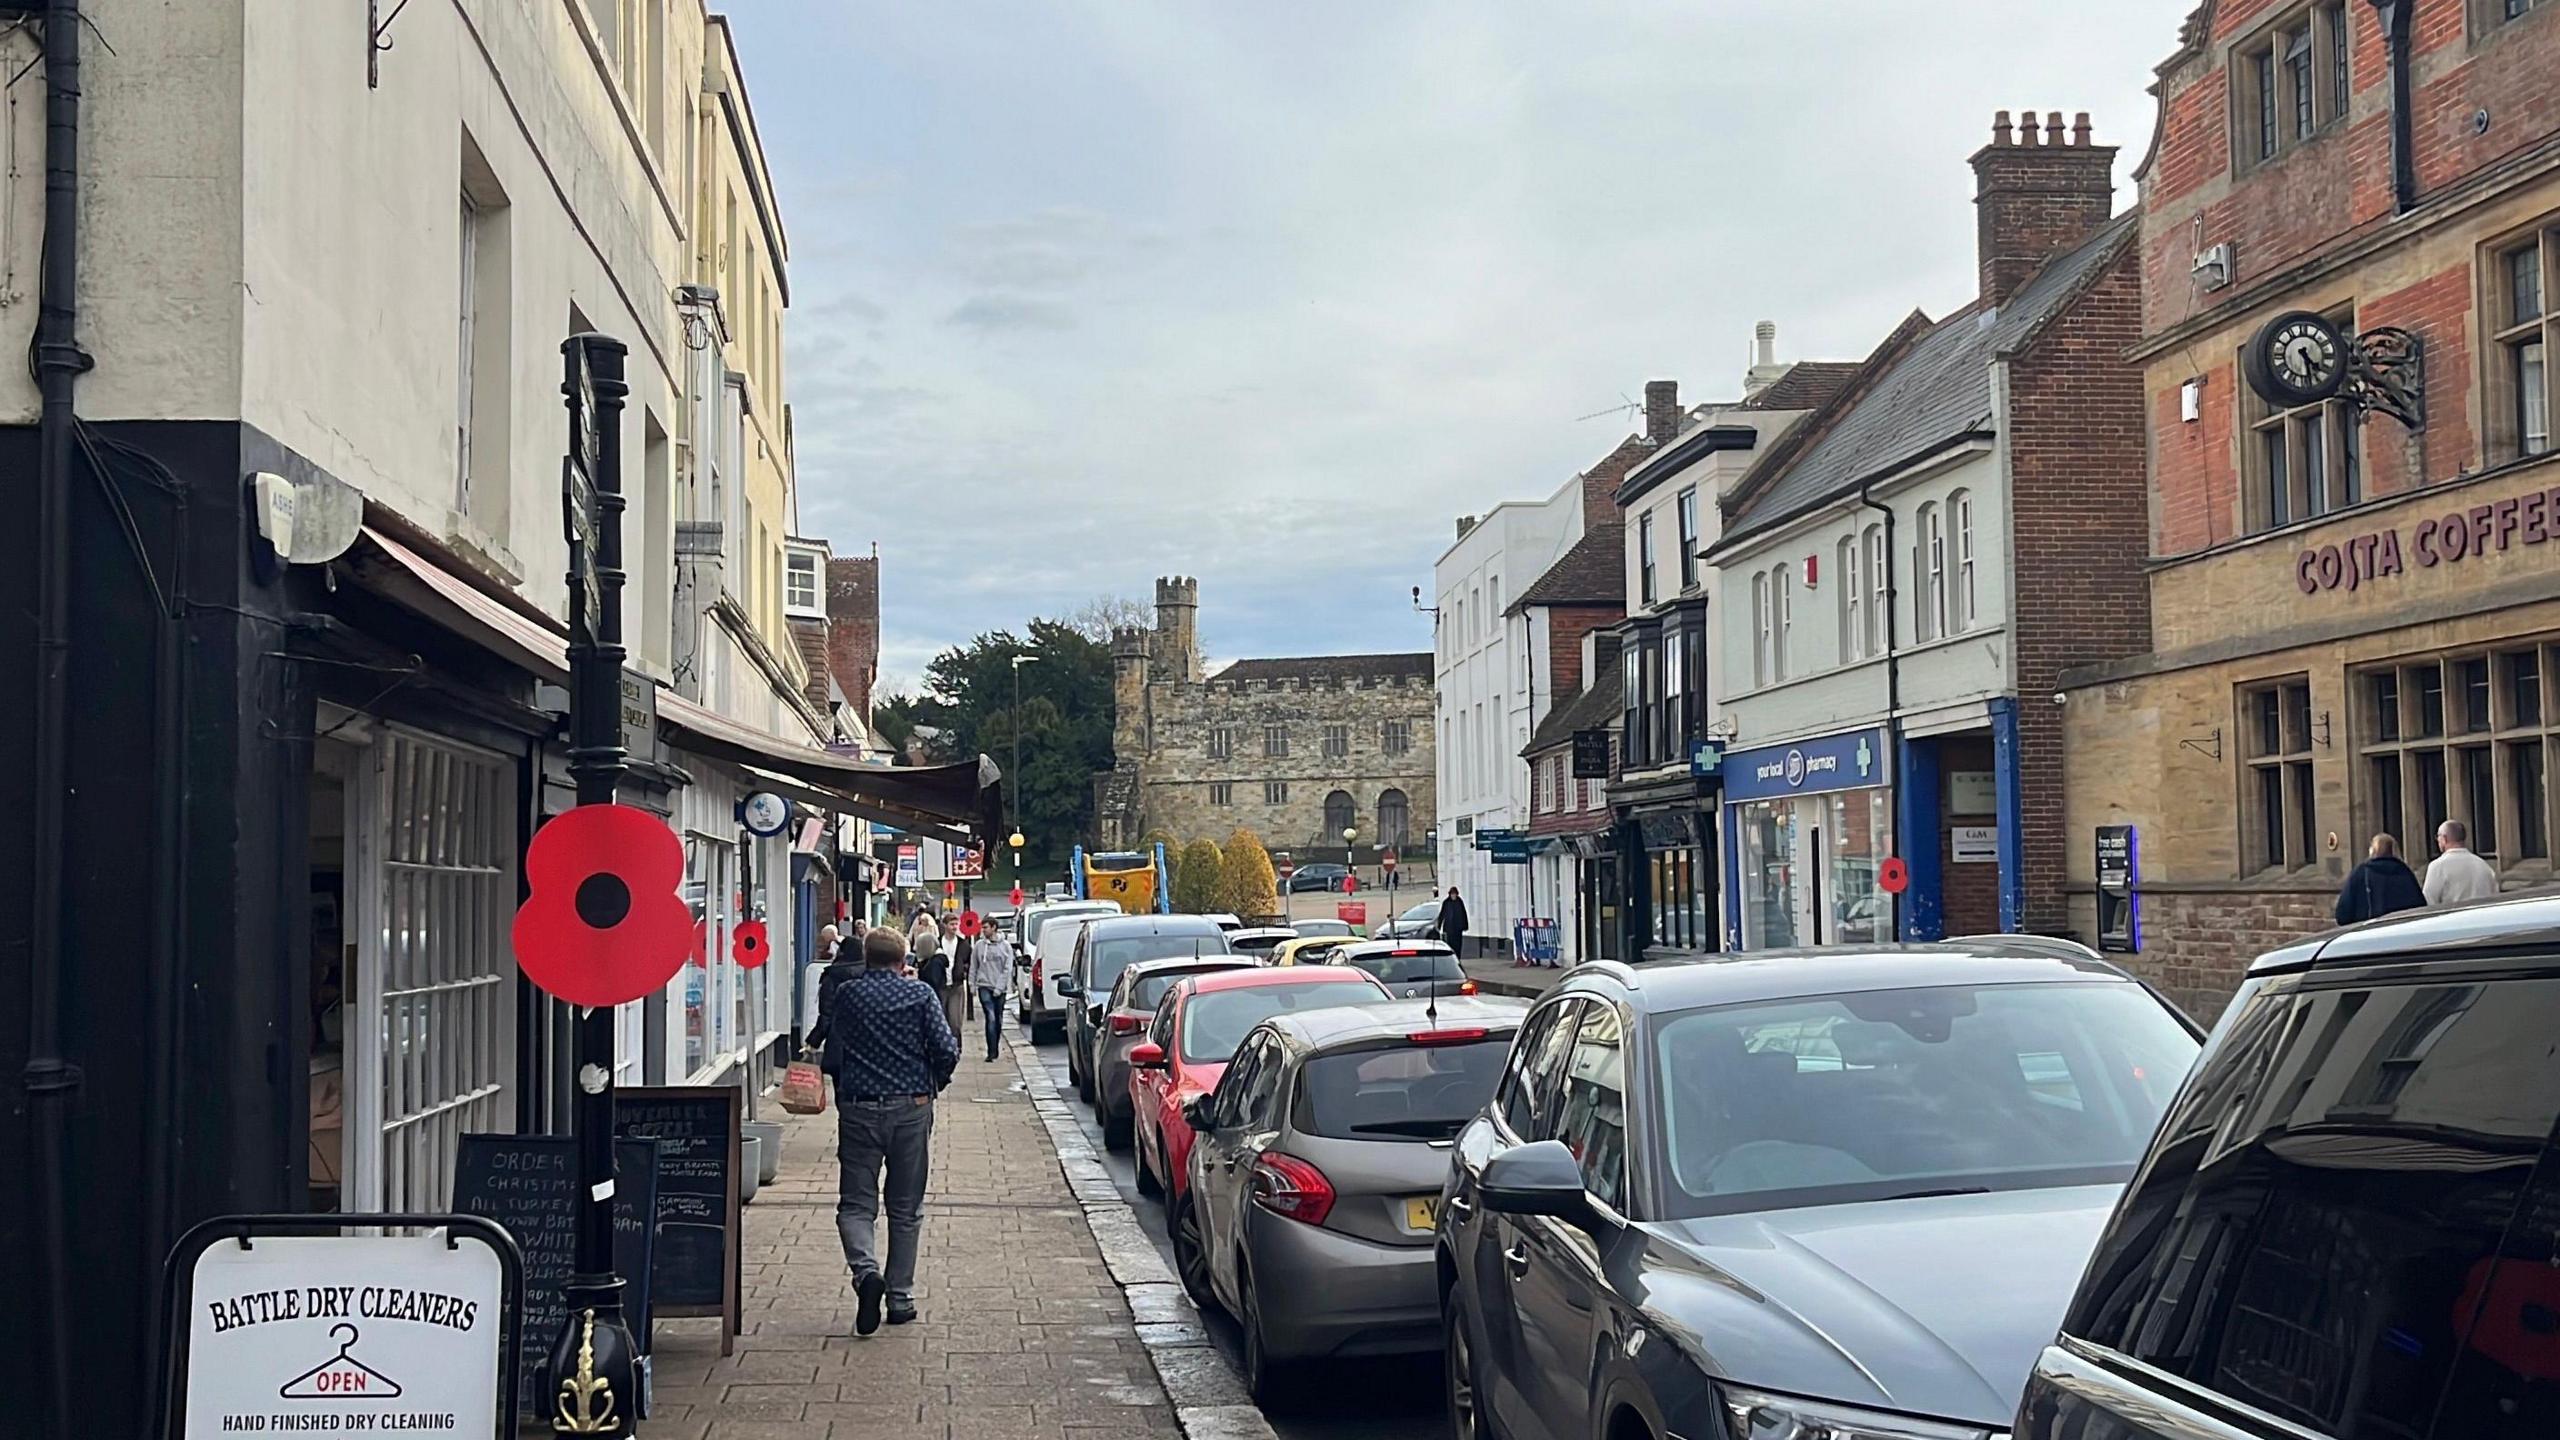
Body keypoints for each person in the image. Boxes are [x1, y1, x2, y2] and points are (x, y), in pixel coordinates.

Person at [820, 925, 959, 1335]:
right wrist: (935, 1083)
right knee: (906, 1207)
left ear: (867, 959)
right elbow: (946, 1047)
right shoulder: (919, 995)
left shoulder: (849, 994)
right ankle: (900, 1298)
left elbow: (836, 1046)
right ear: (903, 961)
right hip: (911, 1108)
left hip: (860, 1108)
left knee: (856, 1204)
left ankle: (866, 1273)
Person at [2335, 834, 2426, 925]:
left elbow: (2343, 914)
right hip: (2400, 932)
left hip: (2368, 932)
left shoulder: (2360, 872)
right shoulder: (2404, 872)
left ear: (2372, 850)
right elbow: (2419, 908)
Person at [968, 920, 1016, 1062]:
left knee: (998, 1018)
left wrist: (999, 987)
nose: (983, 930)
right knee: (990, 1017)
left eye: (986, 927)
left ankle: (995, 1047)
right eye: (982, 928)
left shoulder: (1005, 946)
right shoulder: (979, 946)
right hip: (984, 985)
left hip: (999, 988)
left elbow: (1007, 969)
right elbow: (974, 966)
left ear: (994, 928)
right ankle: (991, 1051)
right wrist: (972, 984)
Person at [2424, 819, 2500, 906]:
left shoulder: (2437, 866)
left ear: (2444, 839)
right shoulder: (2483, 865)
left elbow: (2429, 901)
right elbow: (2494, 897)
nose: (2437, 840)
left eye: (2438, 836)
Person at [943, 924, 975, 1034]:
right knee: (942, 1018)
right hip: (941, 985)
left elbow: (970, 962)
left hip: (956, 985)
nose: (954, 927)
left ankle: (957, 1046)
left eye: (956, 924)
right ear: (945, 925)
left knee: (955, 1020)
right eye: (952, 924)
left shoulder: (963, 944)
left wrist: (964, 972)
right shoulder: (938, 943)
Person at [1436, 886, 1470, 958]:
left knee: (1458, 945)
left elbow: (1464, 914)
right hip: (1449, 928)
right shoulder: (1446, 902)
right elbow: (1442, 914)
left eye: (1454, 894)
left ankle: (1458, 958)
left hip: (1458, 928)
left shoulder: (1459, 902)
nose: (1453, 896)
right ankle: (1452, 958)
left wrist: (1465, 925)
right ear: (1450, 894)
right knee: (1450, 944)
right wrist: (1439, 925)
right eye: (1452, 894)